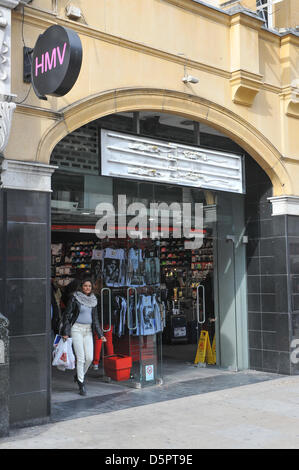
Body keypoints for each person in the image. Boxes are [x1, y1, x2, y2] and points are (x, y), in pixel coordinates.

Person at [60, 278, 106, 396]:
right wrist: (65, 331)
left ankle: (78, 376)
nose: (87, 288)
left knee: (90, 358)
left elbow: (95, 319)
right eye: (85, 286)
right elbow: (67, 315)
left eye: (89, 286)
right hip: (76, 329)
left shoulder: (94, 300)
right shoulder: (75, 298)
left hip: (88, 330)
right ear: (81, 286)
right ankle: (81, 383)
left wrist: (100, 334)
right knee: (81, 358)